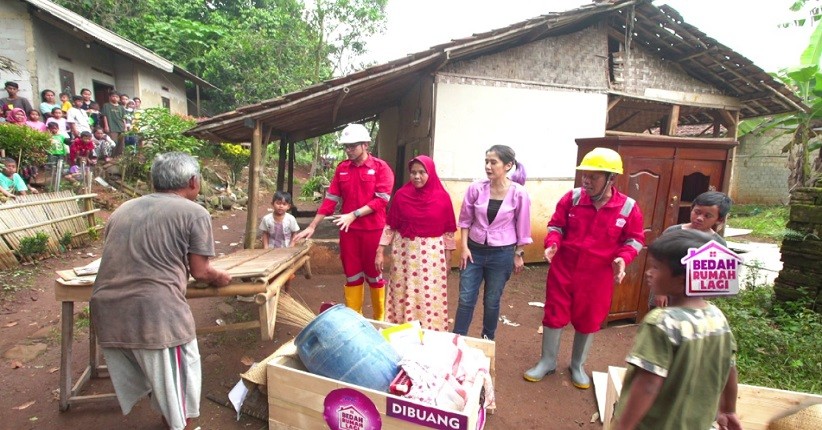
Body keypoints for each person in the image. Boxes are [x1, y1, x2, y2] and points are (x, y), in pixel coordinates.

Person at [90, 152, 231, 430]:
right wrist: (221, 277)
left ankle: (168, 413)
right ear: (193, 181)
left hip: (107, 312)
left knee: (157, 376)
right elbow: (201, 271)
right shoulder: (195, 212)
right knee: (178, 383)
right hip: (154, 314)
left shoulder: (123, 209)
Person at [524, 147, 644, 389]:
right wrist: (552, 244)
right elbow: (556, 225)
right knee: (554, 313)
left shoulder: (628, 208)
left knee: (589, 318)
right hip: (564, 268)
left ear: (611, 178)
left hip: (597, 275)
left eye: (593, 177)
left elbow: (635, 239)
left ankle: (577, 365)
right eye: (584, 176)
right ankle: (547, 362)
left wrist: (624, 258)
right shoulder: (573, 198)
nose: (586, 181)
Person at [612, 229, 740, 430]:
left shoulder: (662, 322)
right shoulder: (718, 318)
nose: (649, 272)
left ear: (682, 280)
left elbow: (648, 384)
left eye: (656, 267)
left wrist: (623, 427)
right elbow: (730, 369)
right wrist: (728, 410)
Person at [292, 123, 395, 320]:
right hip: (349, 232)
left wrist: (353, 214)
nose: (348, 150)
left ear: (365, 145)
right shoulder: (342, 169)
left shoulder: (381, 168)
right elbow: (331, 199)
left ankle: (379, 321)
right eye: (346, 146)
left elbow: (382, 199)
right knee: (352, 275)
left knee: (374, 276)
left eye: (352, 146)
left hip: (373, 231)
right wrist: (313, 226)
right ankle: (355, 322)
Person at [453, 145, 532, 340]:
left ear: (508, 165)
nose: (488, 166)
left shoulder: (519, 193)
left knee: (492, 300)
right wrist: (464, 248)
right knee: (465, 298)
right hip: (474, 251)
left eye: (493, 162)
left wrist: (518, 254)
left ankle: (488, 339)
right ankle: (457, 340)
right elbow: (465, 220)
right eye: (486, 162)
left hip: (502, 254)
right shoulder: (476, 188)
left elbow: (523, 227)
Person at [377, 155, 457, 331]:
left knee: (428, 294)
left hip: (431, 256)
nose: (417, 176)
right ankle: (401, 330)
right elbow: (390, 226)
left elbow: (448, 230)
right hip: (404, 255)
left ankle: (429, 330)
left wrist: (448, 256)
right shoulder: (401, 196)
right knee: (403, 291)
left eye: (422, 172)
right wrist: (380, 251)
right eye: (413, 172)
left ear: (431, 173)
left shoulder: (442, 197)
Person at [651, 191, 733, 308]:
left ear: (719, 220)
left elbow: (714, 276)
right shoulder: (672, 232)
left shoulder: (718, 244)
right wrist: (660, 292)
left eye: (707, 216)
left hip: (693, 301)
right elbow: (657, 263)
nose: (699, 218)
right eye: (697, 212)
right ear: (692, 209)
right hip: (664, 293)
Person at [101, 92, 126, 156]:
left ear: (119, 99)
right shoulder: (106, 105)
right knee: (113, 142)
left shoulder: (121, 107)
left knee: (121, 142)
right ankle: (111, 156)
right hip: (111, 126)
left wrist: (125, 127)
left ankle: (119, 156)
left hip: (121, 126)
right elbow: (104, 116)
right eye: (113, 96)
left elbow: (124, 118)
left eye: (117, 97)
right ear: (110, 97)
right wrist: (106, 126)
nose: (115, 98)